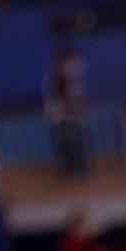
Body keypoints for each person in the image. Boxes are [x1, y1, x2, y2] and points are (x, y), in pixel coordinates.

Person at [42, 45, 90, 179]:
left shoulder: (72, 76)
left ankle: (76, 172)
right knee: (69, 145)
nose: (74, 62)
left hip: (70, 117)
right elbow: (62, 96)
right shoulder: (58, 76)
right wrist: (74, 108)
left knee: (74, 145)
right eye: (70, 59)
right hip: (62, 117)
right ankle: (71, 173)